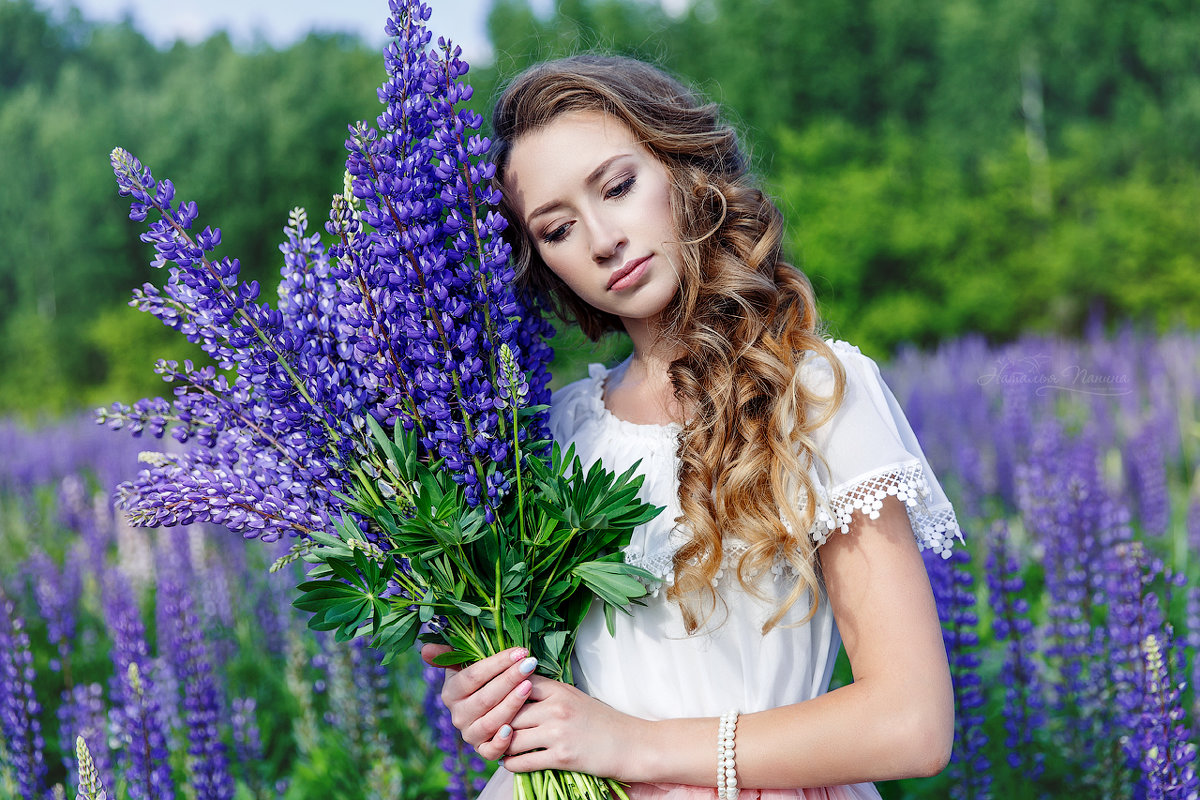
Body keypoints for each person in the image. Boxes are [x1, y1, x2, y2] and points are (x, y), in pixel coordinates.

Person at [422, 54, 962, 800]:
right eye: (556, 228)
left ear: (683, 167)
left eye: (617, 186)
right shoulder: (547, 431)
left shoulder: (811, 391)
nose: (602, 239)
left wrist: (635, 746)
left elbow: (912, 723)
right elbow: (562, 687)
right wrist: (495, 701)